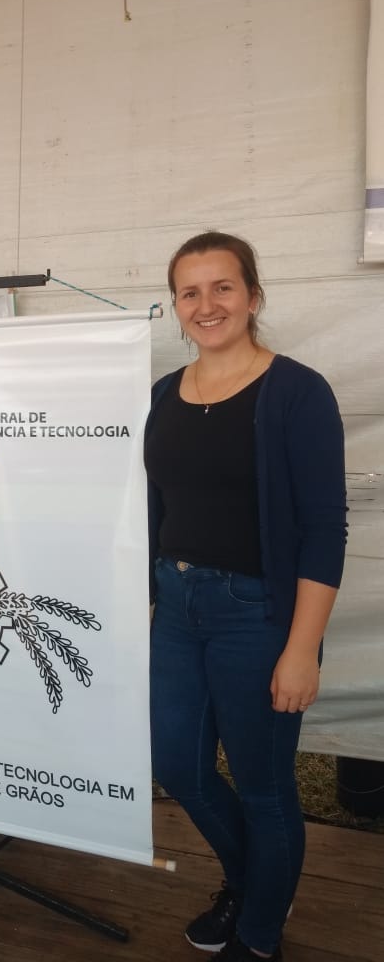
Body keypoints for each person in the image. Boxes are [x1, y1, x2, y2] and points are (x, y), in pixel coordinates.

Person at [145, 232, 346, 962]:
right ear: (176, 305)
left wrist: (301, 648)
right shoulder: (163, 395)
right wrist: (150, 598)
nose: (207, 305)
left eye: (222, 287)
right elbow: (156, 508)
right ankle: (254, 884)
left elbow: (323, 528)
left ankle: (260, 937)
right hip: (177, 607)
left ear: (253, 296)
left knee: (263, 786)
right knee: (179, 767)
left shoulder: (297, 392)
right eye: (190, 292)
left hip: (257, 616)